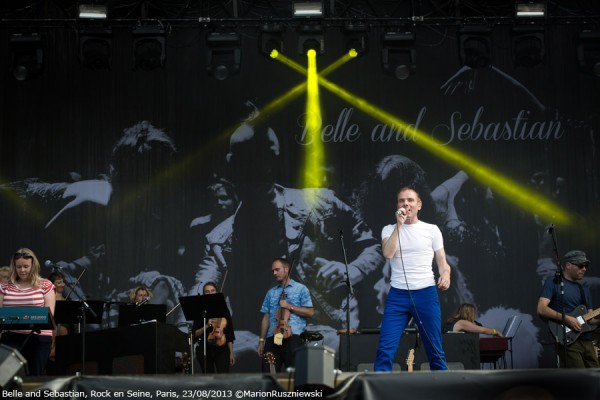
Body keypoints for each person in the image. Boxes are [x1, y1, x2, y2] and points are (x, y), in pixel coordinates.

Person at [374, 187, 452, 371]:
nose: (406, 204)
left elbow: (442, 263)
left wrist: (446, 275)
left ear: (419, 205)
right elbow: (388, 253)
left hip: (425, 292)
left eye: (410, 200)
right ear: (397, 206)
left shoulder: (431, 230)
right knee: (386, 348)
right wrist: (399, 225)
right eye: (402, 201)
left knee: (434, 348)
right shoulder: (389, 229)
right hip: (398, 295)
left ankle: (445, 390)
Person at [537, 250, 600, 368]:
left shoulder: (584, 289)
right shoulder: (553, 282)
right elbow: (541, 309)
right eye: (581, 265)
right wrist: (566, 319)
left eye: (586, 266)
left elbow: (590, 320)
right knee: (579, 379)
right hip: (568, 340)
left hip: (586, 340)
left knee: (596, 378)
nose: (584, 269)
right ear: (568, 265)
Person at [0, 248, 56, 376]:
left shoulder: (45, 285)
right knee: (10, 376)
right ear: (14, 267)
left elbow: (49, 315)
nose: (22, 270)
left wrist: (18, 316)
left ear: (33, 266)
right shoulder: (4, 287)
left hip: (39, 337)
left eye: (26, 266)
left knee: (36, 375)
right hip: (11, 337)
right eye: (19, 267)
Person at [257, 258, 314, 372]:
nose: (274, 273)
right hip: (272, 338)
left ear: (286, 269)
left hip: (294, 337)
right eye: (273, 271)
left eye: (277, 270)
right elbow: (266, 317)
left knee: (296, 377)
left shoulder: (300, 289)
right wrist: (261, 340)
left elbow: (310, 312)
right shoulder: (271, 292)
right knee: (268, 375)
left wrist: (290, 307)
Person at [193, 282, 235, 373]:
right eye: (207, 292)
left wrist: (231, 352)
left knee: (223, 378)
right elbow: (195, 333)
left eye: (212, 291)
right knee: (208, 380)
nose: (210, 293)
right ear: (204, 294)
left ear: (216, 292)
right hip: (204, 348)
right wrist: (207, 325)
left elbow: (229, 333)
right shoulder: (200, 310)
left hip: (222, 348)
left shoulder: (223, 308)